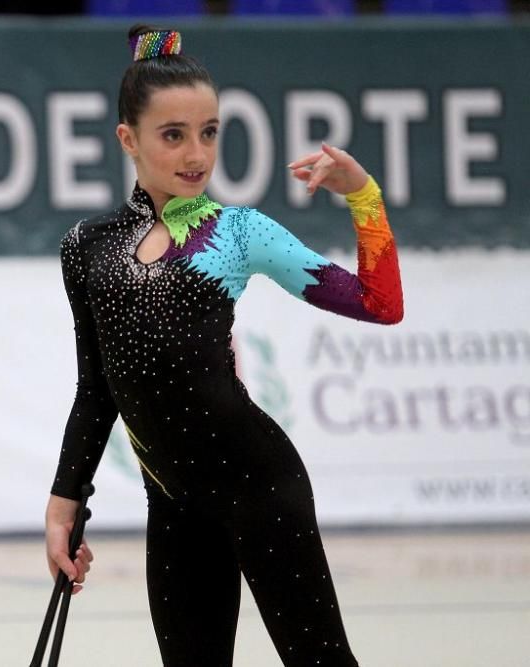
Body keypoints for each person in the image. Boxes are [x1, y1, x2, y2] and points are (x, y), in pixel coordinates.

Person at [44, 24, 403, 667]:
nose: (196, 153)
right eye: (173, 134)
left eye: (209, 132)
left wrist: (362, 197)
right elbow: (96, 389)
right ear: (128, 139)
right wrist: (64, 505)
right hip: (174, 506)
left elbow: (381, 304)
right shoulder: (86, 247)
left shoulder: (236, 232)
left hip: (261, 486)